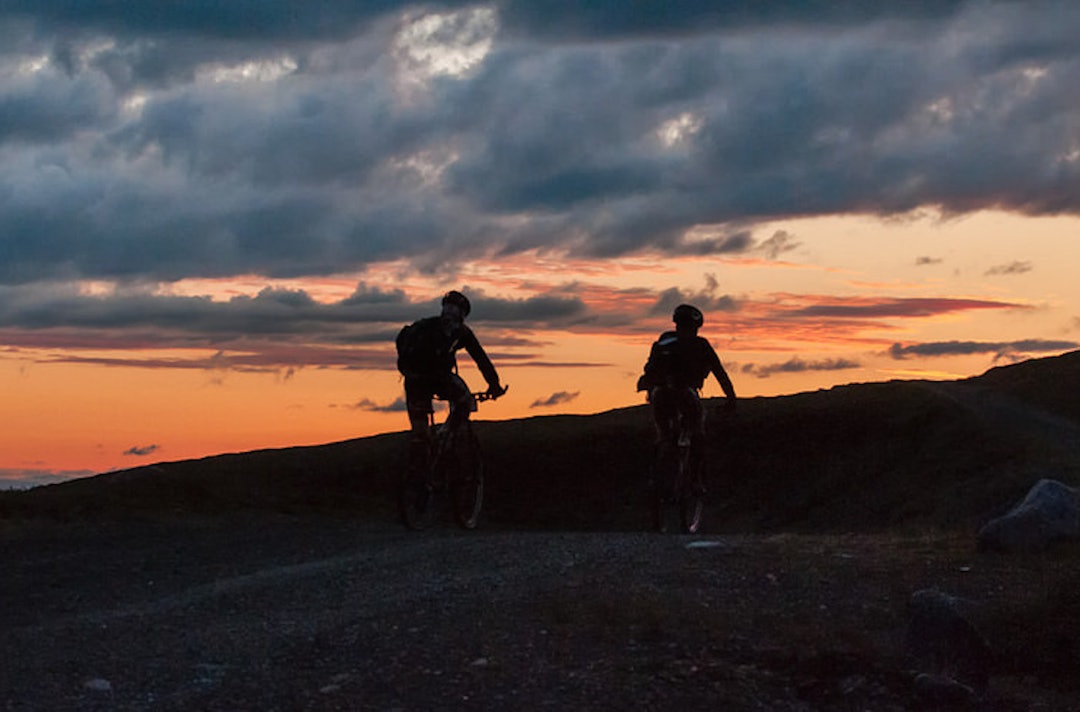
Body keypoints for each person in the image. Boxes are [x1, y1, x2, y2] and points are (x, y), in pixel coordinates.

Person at [636, 303, 736, 493]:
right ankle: (695, 481)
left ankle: (656, 474)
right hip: (685, 393)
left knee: (664, 435)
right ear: (696, 326)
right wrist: (731, 398)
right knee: (697, 430)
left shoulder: (664, 340)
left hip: (659, 393)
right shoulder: (701, 345)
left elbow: (650, 369)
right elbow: (719, 373)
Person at [396, 290, 506, 462]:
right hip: (440, 379)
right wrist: (494, 385)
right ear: (462, 314)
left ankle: (419, 477)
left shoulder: (423, 326)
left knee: (420, 434)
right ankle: (448, 439)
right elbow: (481, 359)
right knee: (464, 400)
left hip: (413, 381)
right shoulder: (461, 332)